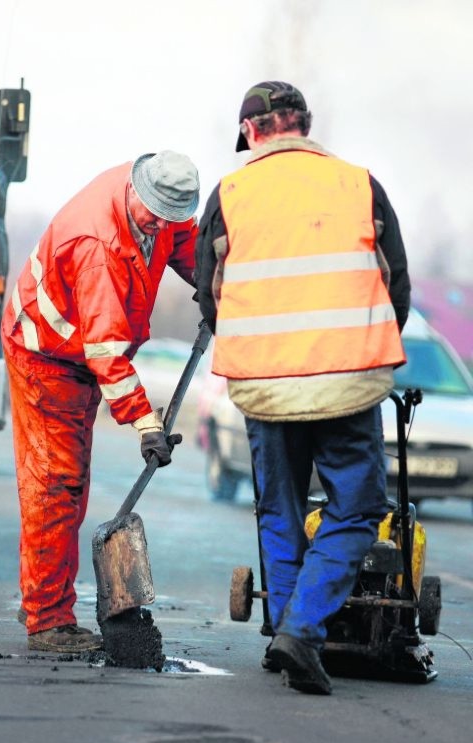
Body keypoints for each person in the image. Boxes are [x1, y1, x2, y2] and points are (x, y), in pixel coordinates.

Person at [195, 81, 410, 694]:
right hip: (346, 381)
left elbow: (212, 298)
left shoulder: (229, 194)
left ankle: (284, 632)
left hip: (265, 386)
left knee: (278, 508)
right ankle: (303, 629)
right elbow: (397, 292)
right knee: (358, 508)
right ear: (304, 124)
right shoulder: (358, 184)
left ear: (253, 133)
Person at [2, 151, 200, 653]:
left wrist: (217, 287)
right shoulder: (99, 246)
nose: (158, 224)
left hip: (79, 354)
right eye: (152, 213)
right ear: (135, 189)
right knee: (55, 486)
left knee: (71, 487)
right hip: (47, 357)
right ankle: (48, 622)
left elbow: (186, 244)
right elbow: (106, 354)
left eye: (169, 218)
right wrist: (146, 424)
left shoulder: (158, 207)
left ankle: (51, 607)